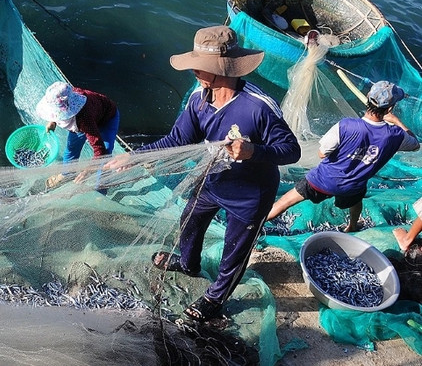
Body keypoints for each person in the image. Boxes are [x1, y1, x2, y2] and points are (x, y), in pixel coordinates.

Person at [104, 25, 301, 322]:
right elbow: (177, 140)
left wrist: (253, 152)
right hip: (212, 180)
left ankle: (215, 298)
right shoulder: (199, 98)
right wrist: (134, 157)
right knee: (190, 223)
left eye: (200, 66)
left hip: (249, 196)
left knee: (235, 251)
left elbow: (291, 150)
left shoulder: (258, 108)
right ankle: (188, 264)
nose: (194, 70)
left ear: (221, 69)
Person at [267, 80, 419, 232]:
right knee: (357, 199)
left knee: (284, 202)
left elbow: (322, 154)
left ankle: (254, 226)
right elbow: (415, 144)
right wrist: (396, 121)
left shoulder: (346, 125)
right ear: (390, 108)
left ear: (367, 97)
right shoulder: (395, 135)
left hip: (321, 181)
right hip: (352, 188)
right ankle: (352, 226)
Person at [36, 81, 119, 184]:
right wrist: (53, 121)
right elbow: (58, 110)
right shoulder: (67, 94)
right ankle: (67, 174)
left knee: (104, 154)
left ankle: (101, 186)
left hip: (107, 118)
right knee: (71, 148)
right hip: (85, 119)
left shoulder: (85, 120)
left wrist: (87, 171)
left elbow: (100, 150)